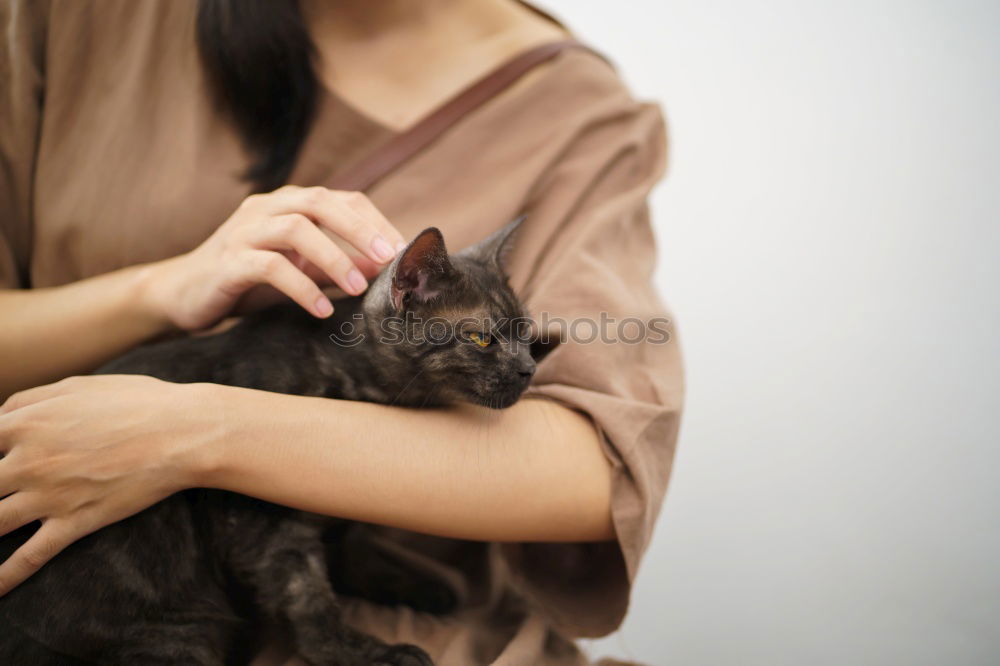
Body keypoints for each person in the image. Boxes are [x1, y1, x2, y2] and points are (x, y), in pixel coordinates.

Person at [0, 1, 683, 664]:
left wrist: (197, 432)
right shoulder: (75, 13)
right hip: (76, 590)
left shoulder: (580, 116)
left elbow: (599, 474)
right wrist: (162, 289)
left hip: (388, 628)